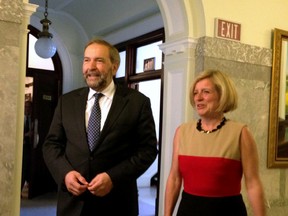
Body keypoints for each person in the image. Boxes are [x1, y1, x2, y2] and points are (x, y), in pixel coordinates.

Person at [42, 38, 158, 216]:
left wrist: (113, 178)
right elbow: (51, 145)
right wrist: (65, 174)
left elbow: (147, 150)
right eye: (87, 60)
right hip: (72, 203)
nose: (91, 66)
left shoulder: (137, 102)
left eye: (99, 60)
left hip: (117, 202)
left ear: (114, 66)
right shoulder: (67, 102)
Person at [164, 70, 266, 216]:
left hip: (227, 211)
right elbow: (174, 179)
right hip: (188, 211)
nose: (198, 98)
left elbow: (253, 184)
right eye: (195, 93)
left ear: (222, 95)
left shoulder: (241, 133)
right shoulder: (182, 132)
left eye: (205, 92)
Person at [21, 100, 33, 196]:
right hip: (22, 147)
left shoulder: (33, 119)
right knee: (23, 169)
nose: (27, 109)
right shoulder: (21, 119)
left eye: (29, 107)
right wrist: (26, 135)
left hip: (32, 148)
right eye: (26, 107)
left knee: (29, 168)